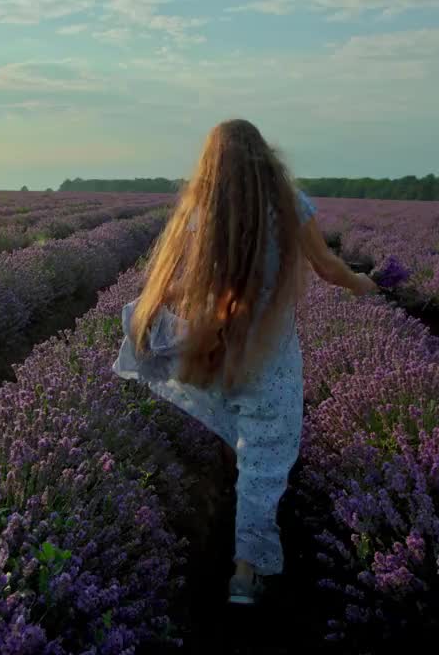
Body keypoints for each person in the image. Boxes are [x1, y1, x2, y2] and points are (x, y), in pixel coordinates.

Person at [112, 119, 377, 605]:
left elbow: (178, 283)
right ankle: (245, 573)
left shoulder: (203, 209)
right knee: (265, 462)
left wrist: (151, 315)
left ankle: (239, 506)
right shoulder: (289, 206)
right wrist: (364, 284)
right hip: (270, 359)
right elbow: (327, 267)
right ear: (265, 158)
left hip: (215, 351)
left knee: (242, 437)